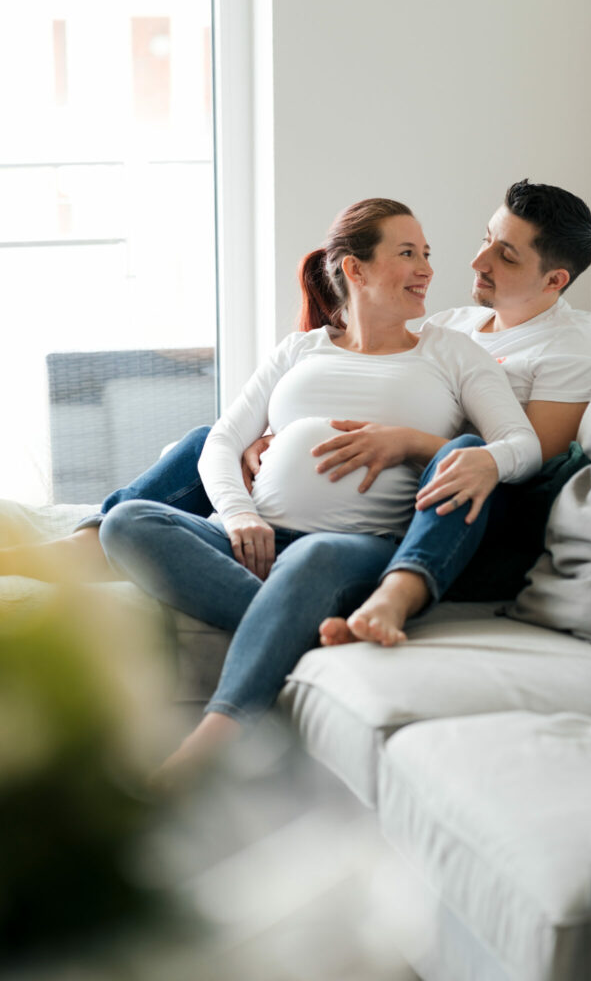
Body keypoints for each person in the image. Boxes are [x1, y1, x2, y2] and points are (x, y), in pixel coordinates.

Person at [90, 198, 541, 784]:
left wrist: (407, 440)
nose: (426, 268)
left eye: (426, 254)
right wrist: (237, 515)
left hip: (360, 545)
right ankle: (300, 622)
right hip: (261, 542)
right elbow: (222, 441)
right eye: (407, 253)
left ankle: (215, 738)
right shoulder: (300, 349)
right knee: (127, 522)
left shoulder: (451, 353)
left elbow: (522, 447)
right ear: (355, 269)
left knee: (313, 555)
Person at [318, 179, 591, 646]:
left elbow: (530, 467)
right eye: (486, 240)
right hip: (402, 486)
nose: (478, 262)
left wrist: (411, 442)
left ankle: (395, 597)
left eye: (507, 256)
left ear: (554, 280)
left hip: (486, 517)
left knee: (468, 448)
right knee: (207, 442)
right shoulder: (452, 324)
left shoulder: (573, 347)